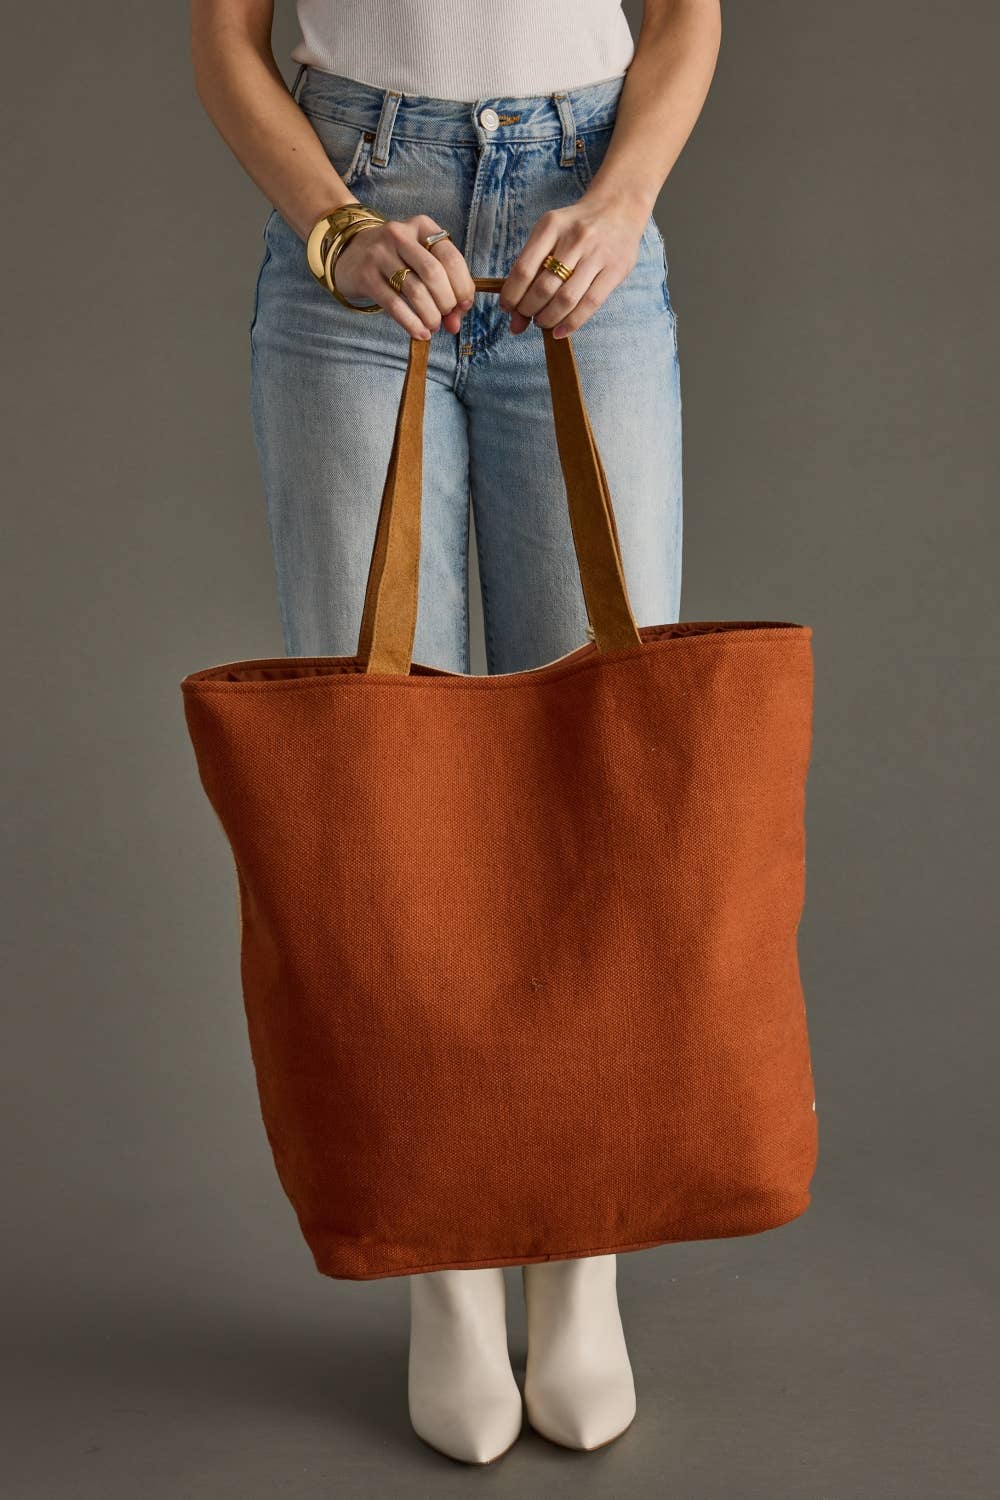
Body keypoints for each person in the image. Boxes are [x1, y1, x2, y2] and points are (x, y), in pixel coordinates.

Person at [190, 0, 721, 1465]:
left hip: (583, 219)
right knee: (380, 801)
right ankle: (446, 1272)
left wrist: (623, 200)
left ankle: (582, 1267)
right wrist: (336, 228)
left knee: (603, 785)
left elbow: (689, 16)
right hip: (356, 233)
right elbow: (226, 39)